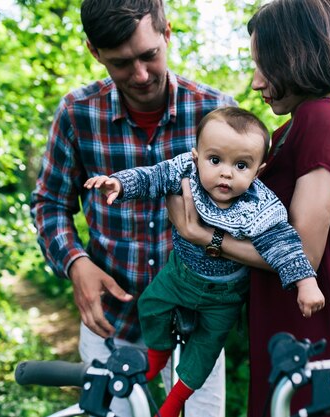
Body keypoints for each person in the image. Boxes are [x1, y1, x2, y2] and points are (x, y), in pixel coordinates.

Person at [29, 1, 237, 416]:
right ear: (95, 52)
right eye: (122, 63)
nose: (140, 75)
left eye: (149, 56)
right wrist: (76, 263)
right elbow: (50, 203)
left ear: (167, 34)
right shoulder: (77, 113)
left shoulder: (215, 113)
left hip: (196, 325)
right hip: (113, 324)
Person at [166, 0, 330, 416]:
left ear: (296, 58)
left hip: (314, 331)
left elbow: (304, 253)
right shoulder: (293, 127)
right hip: (286, 328)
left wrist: (203, 237)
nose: (258, 83)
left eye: (265, 65)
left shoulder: (323, 121)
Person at [85, 106, 325, 417]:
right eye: (215, 160)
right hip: (180, 274)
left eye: (241, 165)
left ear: (258, 171)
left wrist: (306, 284)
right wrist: (120, 184)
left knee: (205, 351)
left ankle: (173, 403)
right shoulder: (185, 171)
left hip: (224, 296)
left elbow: (285, 245)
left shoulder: (260, 206)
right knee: (151, 306)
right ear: (196, 157)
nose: (226, 172)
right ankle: (158, 354)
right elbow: (153, 177)